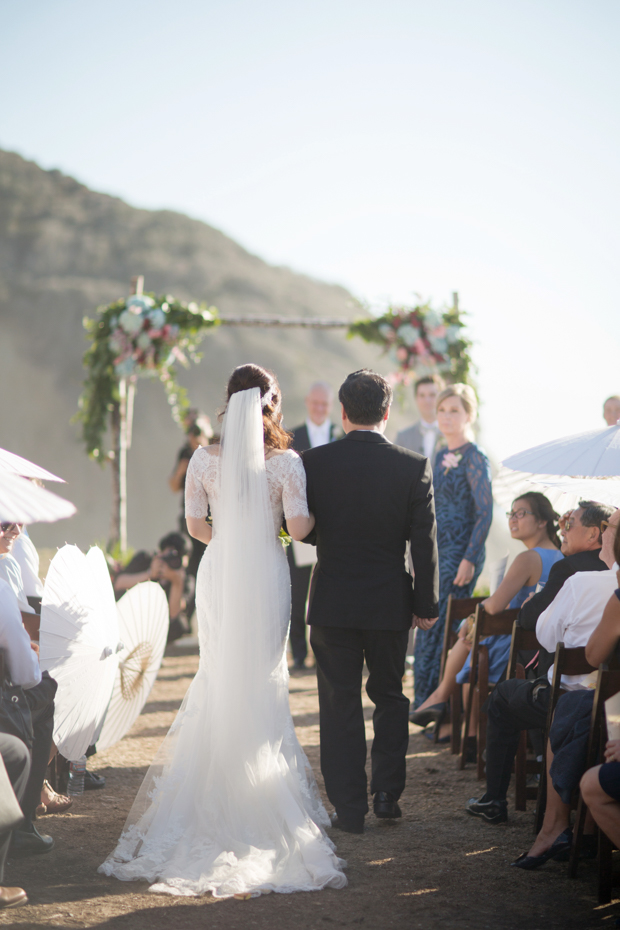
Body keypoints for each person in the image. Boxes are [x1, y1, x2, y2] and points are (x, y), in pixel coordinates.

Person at [100, 364, 347, 897]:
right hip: (265, 569)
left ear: (227, 402)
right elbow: (301, 528)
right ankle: (257, 787)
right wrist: (272, 527)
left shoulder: (203, 458)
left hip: (220, 567)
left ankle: (214, 787)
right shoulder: (286, 462)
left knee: (218, 672)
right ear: (271, 404)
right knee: (261, 673)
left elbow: (194, 526)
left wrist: (231, 537)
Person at [302, 369, 439, 834]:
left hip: (333, 600)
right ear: (387, 412)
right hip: (388, 602)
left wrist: (330, 537)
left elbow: (303, 528)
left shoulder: (314, 463)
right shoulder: (412, 465)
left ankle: (349, 808)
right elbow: (424, 544)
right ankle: (386, 794)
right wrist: (427, 604)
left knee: (339, 702)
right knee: (389, 697)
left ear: (343, 412)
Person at [465, 502, 617, 829]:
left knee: (504, 697)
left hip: (567, 700)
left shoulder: (571, 572)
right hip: (613, 705)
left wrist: (539, 601)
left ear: (595, 533)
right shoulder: (606, 579)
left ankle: (495, 799)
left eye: (570, 523)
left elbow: (536, 627)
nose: (562, 528)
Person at [410, 492, 563, 735]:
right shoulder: (562, 557)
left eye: (521, 513)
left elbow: (493, 606)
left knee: (471, 635)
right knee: (473, 635)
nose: (513, 519)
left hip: (516, 645)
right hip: (541, 644)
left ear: (543, 521)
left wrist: (473, 616)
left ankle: (455, 716)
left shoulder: (528, 558)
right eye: (510, 513)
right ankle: (450, 715)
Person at [412, 383, 492, 710]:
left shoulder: (475, 457)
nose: (446, 416)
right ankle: (425, 700)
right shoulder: (438, 455)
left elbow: (485, 511)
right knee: (428, 623)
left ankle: (440, 706)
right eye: (442, 410)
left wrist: (470, 558)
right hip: (435, 551)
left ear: (469, 415)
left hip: (460, 554)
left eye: (454, 410)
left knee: (444, 627)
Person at [287, 381, 339, 671]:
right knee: (298, 593)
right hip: (299, 524)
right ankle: (298, 655)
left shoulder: (340, 436)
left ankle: (325, 654)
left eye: (325, 404)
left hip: (332, 527)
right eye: (315, 403)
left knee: (329, 594)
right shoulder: (292, 437)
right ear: (307, 402)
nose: (319, 408)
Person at [169, 412, 213, 622]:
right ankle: (185, 614)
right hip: (188, 517)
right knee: (188, 564)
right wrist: (180, 471)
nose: (193, 437)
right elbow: (173, 486)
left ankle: (202, 612)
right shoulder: (185, 454)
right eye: (191, 432)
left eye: (197, 431)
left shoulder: (213, 451)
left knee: (207, 564)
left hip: (210, 518)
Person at [113, 532, 188, 642]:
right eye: (168, 556)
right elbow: (118, 584)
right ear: (160, 553)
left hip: (156, 624)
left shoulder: (185, 579)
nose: (171, 562)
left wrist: (176, 581)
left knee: (180, 624)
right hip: (133, 615)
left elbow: (173, 614)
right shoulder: (145, 559)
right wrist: (149, 574)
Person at [395, 374, 446, 463]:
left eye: (432, 395)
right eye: (422, 395)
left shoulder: (453, 436)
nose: (427, 400)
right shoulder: (403, 438)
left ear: (441, 398)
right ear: (416, 398)